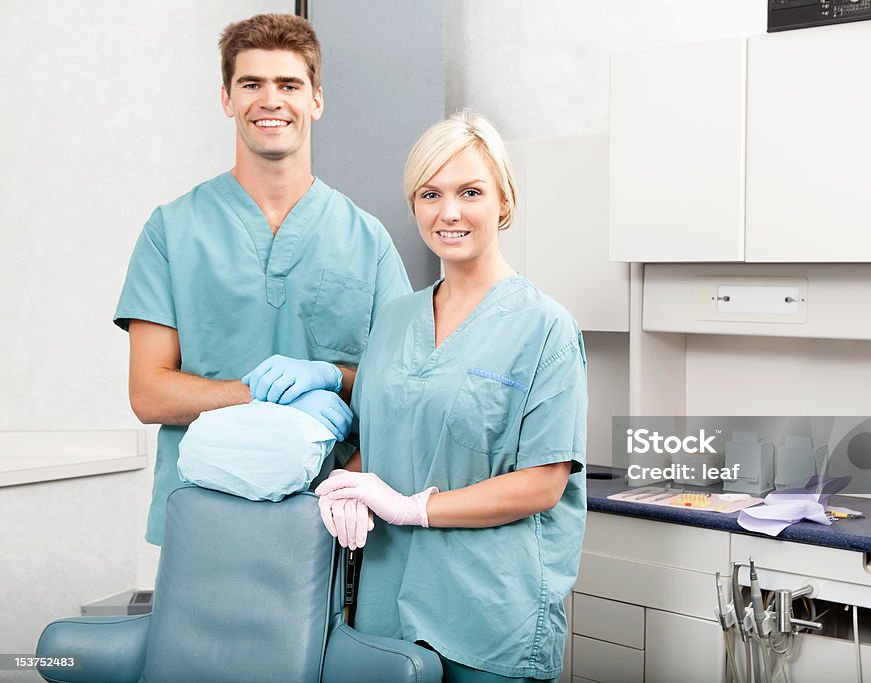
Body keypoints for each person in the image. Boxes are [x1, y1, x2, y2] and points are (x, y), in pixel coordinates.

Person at [114, 14, 411, 546]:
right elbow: (148, 392)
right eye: (252, 84)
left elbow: (400, 389)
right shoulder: (172, 230)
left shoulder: (367, 240)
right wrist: (259, 397)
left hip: (325, 513)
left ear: (316, 99)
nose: (270, 100)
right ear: (227, 98)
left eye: (289, 85)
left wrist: (329, 376)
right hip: (203, 510)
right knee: (199, 634)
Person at [316, 111, 588, 683]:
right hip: (386, 610)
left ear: (504, 202)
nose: (449, 212)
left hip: (490, 614)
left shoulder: (545, 327)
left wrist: (415, 508)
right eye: (430, 193)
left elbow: (543, 483)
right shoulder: (393, 322)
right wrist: (349, 487)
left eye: (470, 192)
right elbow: (379, 441)